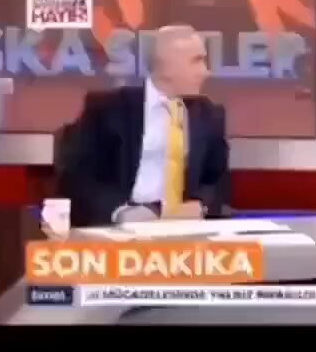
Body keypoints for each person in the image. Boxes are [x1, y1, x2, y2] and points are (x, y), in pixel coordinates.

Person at [59, 25, 230, 227]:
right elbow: (77, 176)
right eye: (196, 61)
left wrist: (201, 205)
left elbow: (217, 180)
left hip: (183, 226)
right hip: (118, 226)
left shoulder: (209, 115)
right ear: (166, 67)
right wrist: (120, 212)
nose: (205, 72)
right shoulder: (109, 109)